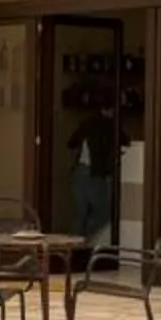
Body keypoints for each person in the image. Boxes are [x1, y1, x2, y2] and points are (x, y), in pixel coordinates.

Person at [67, 101, 121, 244]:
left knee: (81, 213)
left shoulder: (86, 123)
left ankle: (73, 249)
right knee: (103, 213)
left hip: (79, 171)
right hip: (94, 173)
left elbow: (71, 143)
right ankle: (85, 240)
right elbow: (124, 140)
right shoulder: (109, 125)